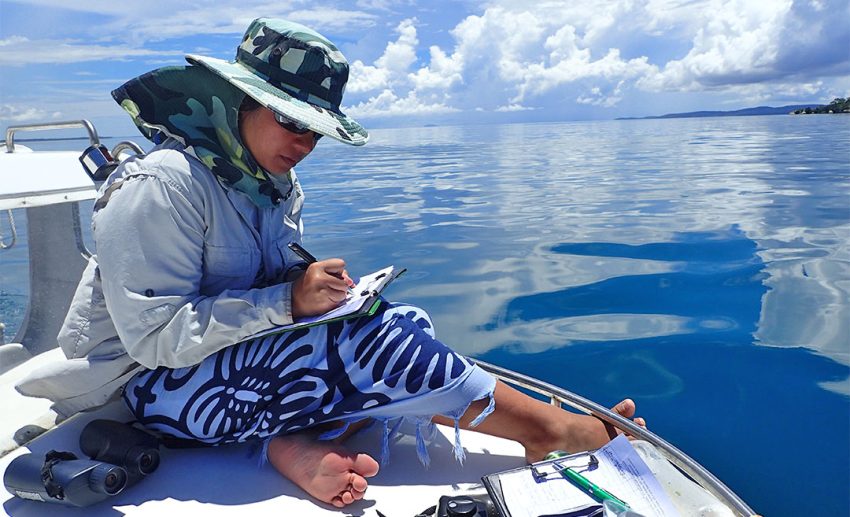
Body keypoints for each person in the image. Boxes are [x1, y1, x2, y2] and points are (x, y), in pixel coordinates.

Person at [17, 18, 644, 508]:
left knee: (407, 321)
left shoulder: (270, 186)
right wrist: (287, 304)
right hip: (138, 392)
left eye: (315, 130)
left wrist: (311, 288)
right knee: (377, 345)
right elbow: (154, 340)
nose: (304, 143)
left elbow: (256, 292)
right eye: (291, 120)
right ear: (241, 101)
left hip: (204, 378)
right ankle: (552, 433)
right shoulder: (163, 185)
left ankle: (287, 444)